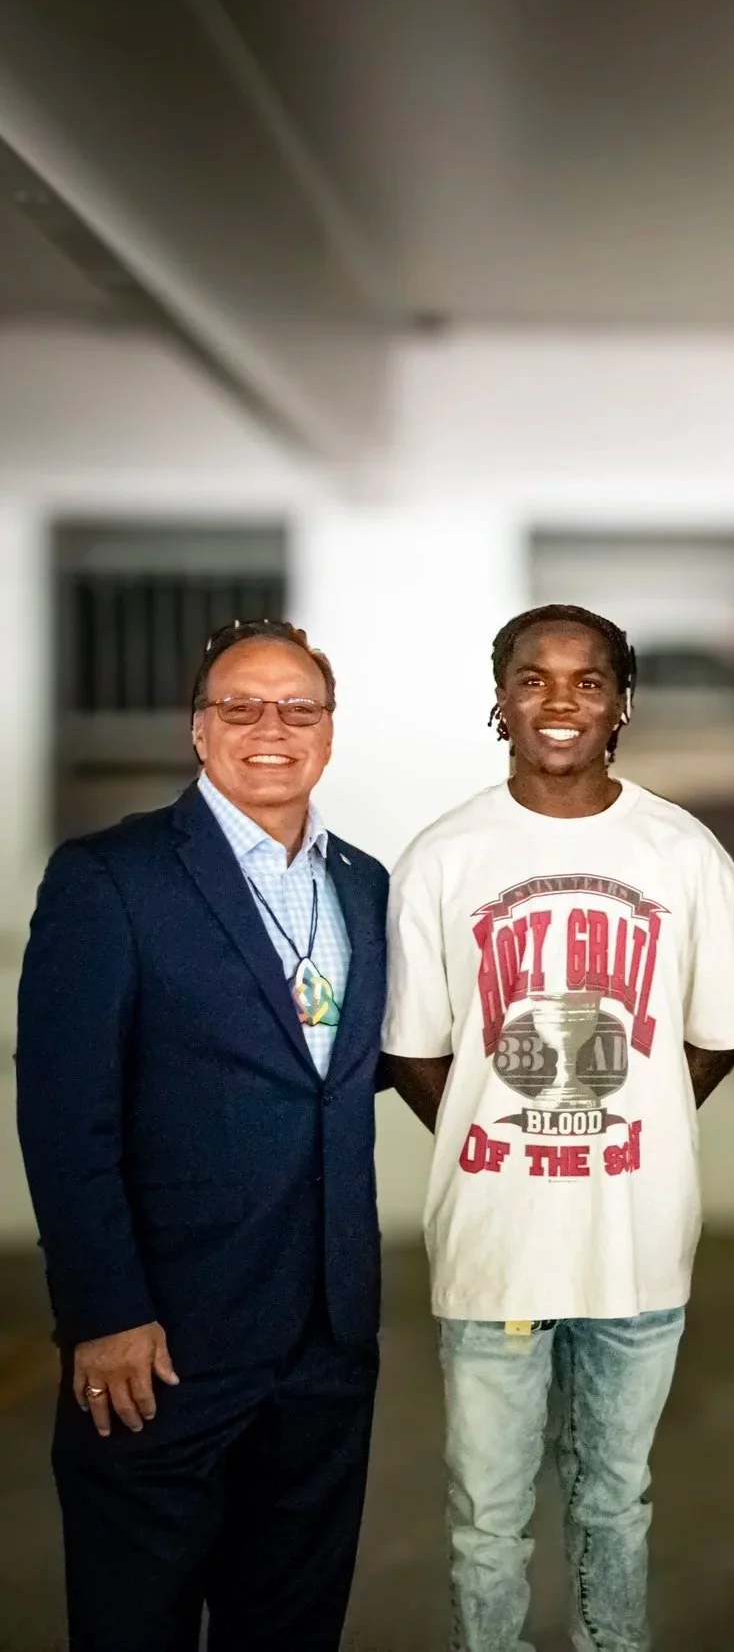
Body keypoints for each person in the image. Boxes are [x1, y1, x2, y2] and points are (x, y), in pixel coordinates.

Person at [382, 605, 734, 1652]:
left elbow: (716, 1034)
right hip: (493, 1247)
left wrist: (626, 1121)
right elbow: (412, 1048)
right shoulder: (443, 858)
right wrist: (498, 1130)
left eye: (587, 681)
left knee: (614, 1500)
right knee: (486, 1524)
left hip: (634, 1246)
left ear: (622, 704)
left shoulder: (683, 853)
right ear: (498, 700)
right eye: (533, 679)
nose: (559, 701)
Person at [16, 619, 386, 1651]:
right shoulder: (112, 877)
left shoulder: (365, 885)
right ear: (197, 728)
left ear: (327, 730)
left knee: (292, 1623)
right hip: (164, 1345)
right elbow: (62, 1112)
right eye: (241, 705)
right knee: (138, 1622)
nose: (271, 726)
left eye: (297, 707)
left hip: (326, 1339)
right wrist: (105, 1310)